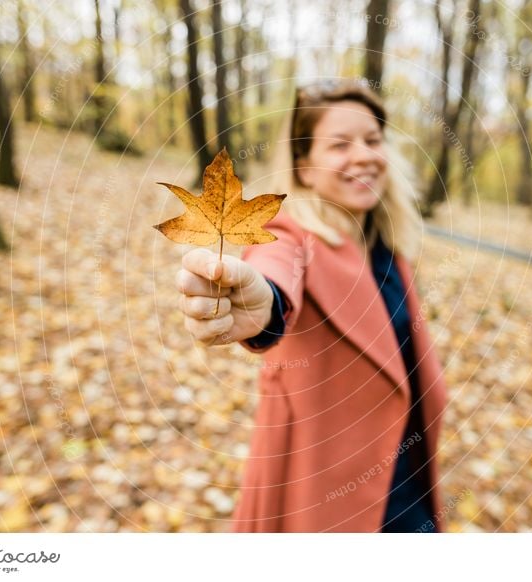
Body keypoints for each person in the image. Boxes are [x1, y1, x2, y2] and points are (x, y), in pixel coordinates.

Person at [175, 80, 448, 533]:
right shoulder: (290, 233)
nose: (363, 155)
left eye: (372, 140)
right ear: (304, 166)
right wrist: (262, 304)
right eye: (340, 144)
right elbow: (275, 273)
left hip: (407, 489)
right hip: (322, 496)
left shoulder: (388, 249)